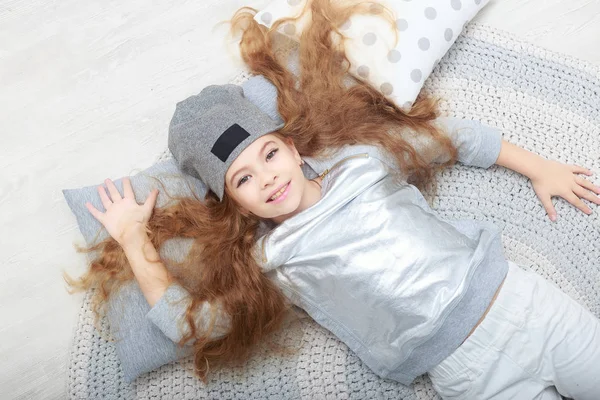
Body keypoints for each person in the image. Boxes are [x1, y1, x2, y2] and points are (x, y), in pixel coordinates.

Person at [71, 1, 600, 399]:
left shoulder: (361, 162)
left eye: (269, 154)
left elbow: (448, 139)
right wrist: (135, 241)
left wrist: (540, 168)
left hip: (523, 305)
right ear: (237, 204)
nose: (268, 180)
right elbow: (194, 325)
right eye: (244, 181)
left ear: (293, 146)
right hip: (466, 371)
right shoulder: (272, 263)